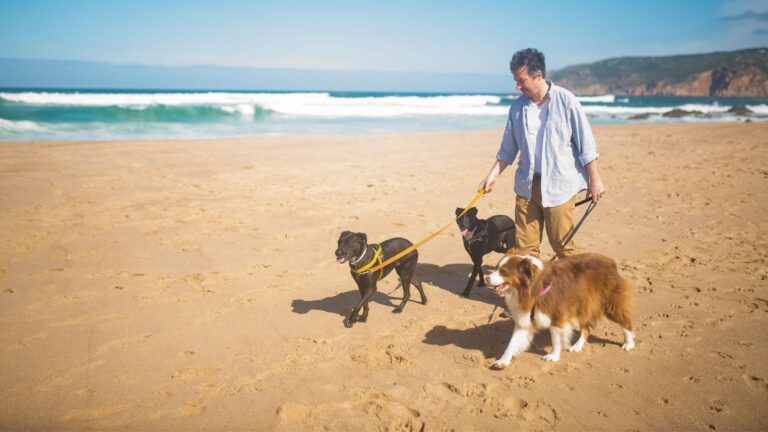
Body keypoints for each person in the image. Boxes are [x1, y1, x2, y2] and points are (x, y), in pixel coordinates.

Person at [479, 48, 605, 259]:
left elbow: (586, 144)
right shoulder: (517, 108)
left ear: (538, 76)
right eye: (515, 80)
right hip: (526, 187)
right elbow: (508, 149)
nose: (517, 86)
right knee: (525, 250)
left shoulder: (566, 100)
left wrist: (595, 180)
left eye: (522, 80)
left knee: (562, 245)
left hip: (559, 186)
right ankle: (532, 292)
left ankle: (575, 290)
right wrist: (492, 175)